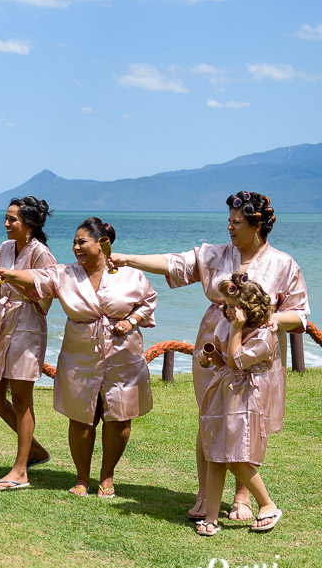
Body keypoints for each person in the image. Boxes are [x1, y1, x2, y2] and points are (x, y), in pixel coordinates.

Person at [112, 191, 308, 522]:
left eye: (237, 222)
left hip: (257, 353)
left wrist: (270, 319)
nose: (230, 228)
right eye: (228, 221)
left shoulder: (283, 263)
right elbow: (175, 263)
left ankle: (243, 496)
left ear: (256, 225)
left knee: (248, 423)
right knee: (211, 419)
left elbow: (300, 314)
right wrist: (129, 258)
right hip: (213, 347)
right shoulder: (216, 255)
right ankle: (206, 495)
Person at [0, 219, 157, 497]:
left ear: (102, 243)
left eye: (82, 242)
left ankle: (107, 476)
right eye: (74, 242)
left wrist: (131, 321)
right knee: (81, 417)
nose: (76, 247)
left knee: (119, 416)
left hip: (123, 352)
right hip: (79, 351)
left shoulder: (129, 274)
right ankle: (82, 477)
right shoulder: (65, 274)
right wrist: (9, 274)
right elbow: (37, 278)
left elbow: (148, 301)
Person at [193, 274, 283, 535]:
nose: (227, 311)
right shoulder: (228, 325)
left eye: (233, 306)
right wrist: (209, 357)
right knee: (216, 455)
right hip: (224, 391)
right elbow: (225, 361)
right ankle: (211, 517)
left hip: (245, 396)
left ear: (248, 309)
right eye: (227, 305)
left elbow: (236, 361)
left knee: (235, 456)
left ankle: (267, 505)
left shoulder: (265, 337)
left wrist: (234, 330)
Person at [0, 196, 56, 490]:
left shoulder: (42, 254)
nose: (6, 224)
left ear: (29, 225)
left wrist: (13, 280)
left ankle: (21, 469)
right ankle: (36, 449)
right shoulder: (5, 248)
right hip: (1, 323)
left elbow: (48, 297)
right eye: (7, 218)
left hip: (27, 325)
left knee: (23, 399)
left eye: (12, 220)